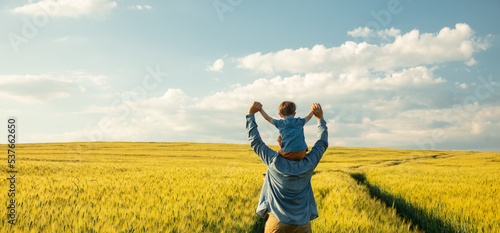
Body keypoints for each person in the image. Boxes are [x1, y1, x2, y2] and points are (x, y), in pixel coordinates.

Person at [246, 101, 328, 233]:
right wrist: (320, 119)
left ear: (281, 146)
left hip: (277, 224)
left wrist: (251, 114)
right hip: (302, 225)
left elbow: (255, 141)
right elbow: (322, 142)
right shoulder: (309, 163)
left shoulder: (273, 161)